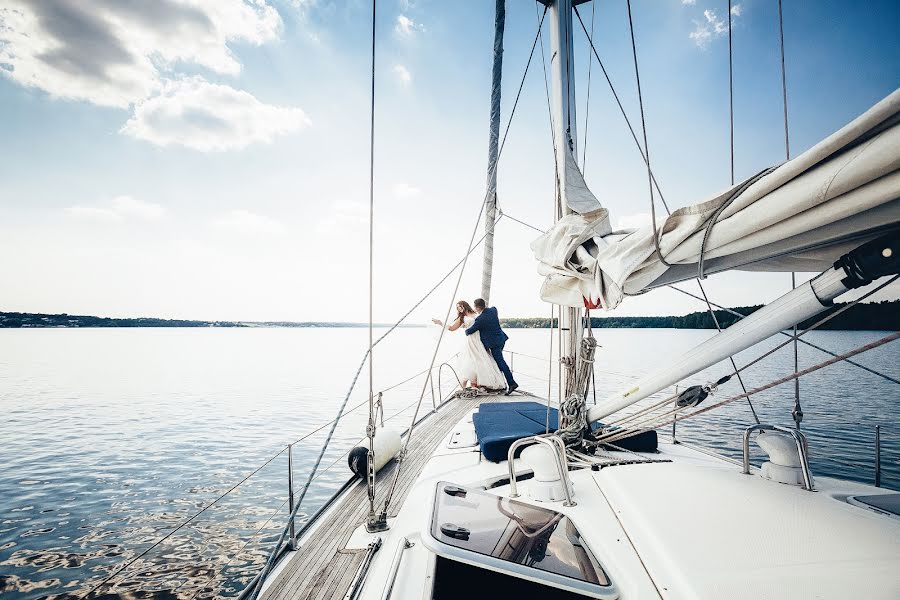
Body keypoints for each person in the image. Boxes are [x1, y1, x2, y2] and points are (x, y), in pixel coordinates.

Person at [432, 300, 506, 390]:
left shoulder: (477, 313)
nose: (459, 309)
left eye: (460, 306)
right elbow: (452, 328)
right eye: (457, 308)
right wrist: (441, 323)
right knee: (472, 361)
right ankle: (473, 383)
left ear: (465, 305)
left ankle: (484, 383)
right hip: (471, 340)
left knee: (484, 359)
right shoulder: (462, 318)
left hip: (480, 340)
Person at [464, 298, 518, 395]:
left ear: (477, 307)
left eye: (475, 307)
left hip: (494, 344)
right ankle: (501, 383)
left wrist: (466, 327)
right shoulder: (493, 310)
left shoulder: (480, 319)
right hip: (501, 339)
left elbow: (469, 331)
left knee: (500, 362)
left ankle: (512, 383)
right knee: (496, 362)